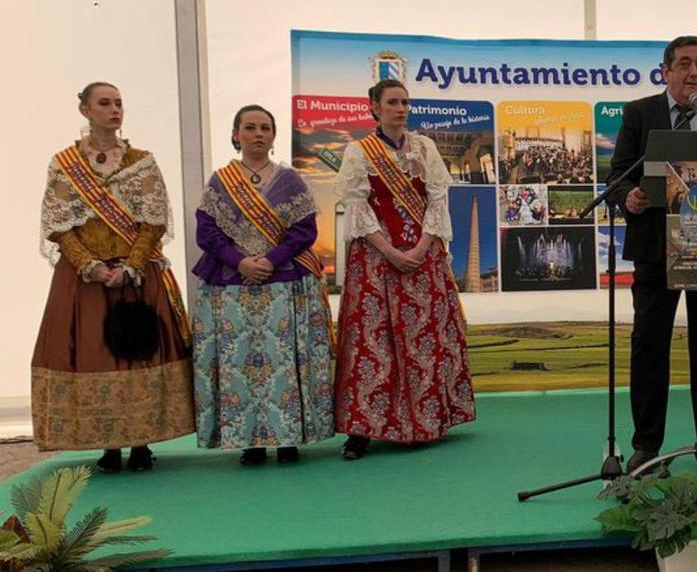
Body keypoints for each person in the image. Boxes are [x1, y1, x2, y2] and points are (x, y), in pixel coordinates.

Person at [607, 35, 697, 473]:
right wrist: (628, 196)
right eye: (685, 64)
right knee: (651, 344)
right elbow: (617, 176)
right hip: (655, 247)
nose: (694, 72)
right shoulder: (640, 113)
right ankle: (647, 448)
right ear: (665, 71)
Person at [33, 82, 194, 472]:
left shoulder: (142, 161)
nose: (114, 110)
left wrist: (131, 265)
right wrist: (90, 265)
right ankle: (108, 444)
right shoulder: (65, 163)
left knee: (138, 352)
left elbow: (153, 221)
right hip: (84, 279)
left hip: (135, 275)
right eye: (105, 103)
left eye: (119, 103)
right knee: (95, 356)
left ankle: (141, 443)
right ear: (85, 111)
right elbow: (58, 225)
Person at [334, 79, 476, 459]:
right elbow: (357, 206)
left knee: (424, 338)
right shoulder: (358, 151)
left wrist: (421, 246)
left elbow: (437, 199)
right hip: (376, 261)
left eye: (405, 102)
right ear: (374, 108)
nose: (401, 108)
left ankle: (429, 419)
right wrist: (389, 251)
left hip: (422, 256)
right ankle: (363, 428)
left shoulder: (425, 147)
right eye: (393, 102)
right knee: (373, 341)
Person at [191, 104, 335, 465]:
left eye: (265, 128)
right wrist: (239, 260)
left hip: (283, 281)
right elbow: (206, 232)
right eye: (250, 127)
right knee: (238, 364)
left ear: (273, 136)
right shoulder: (220, 182)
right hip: (231, 283)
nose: (258, 134)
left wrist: (269, 259)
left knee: (283, 362)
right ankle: (249, 442)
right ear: (236, 134)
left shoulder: (290, 180)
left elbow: (305, 231)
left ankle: (288, 439)